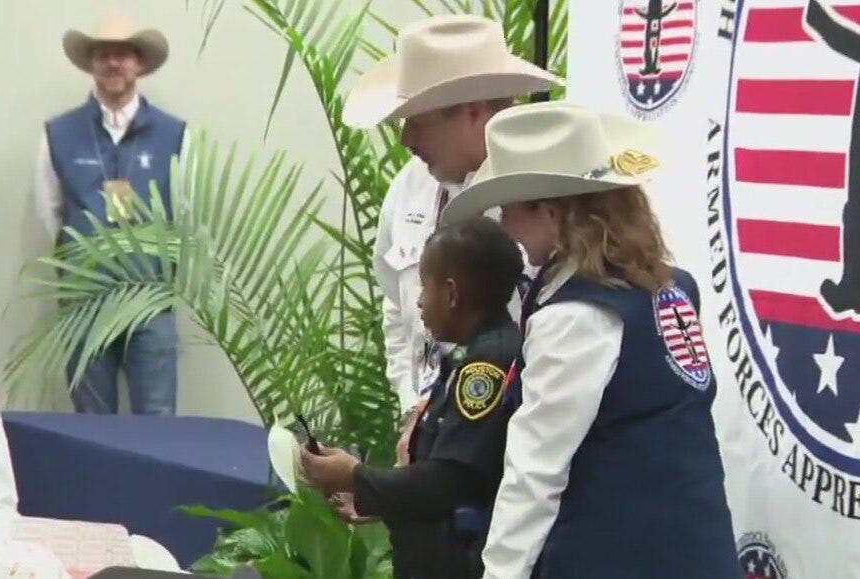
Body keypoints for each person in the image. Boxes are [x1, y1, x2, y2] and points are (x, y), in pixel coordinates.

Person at [441, 102, 742, 579]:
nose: (505, 225)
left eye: (510, 209)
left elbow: (535, 471)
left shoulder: (574, 317)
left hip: (615, 556)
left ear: (551, 213)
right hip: (696, 551)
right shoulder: (672, 288)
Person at [341, 14, 562, 422]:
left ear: (474, 113)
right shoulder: (407, 187)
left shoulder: (541, 203)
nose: (405, 139)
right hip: (430, 435)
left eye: (417, 120)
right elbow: (397, 309)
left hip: (511, 438)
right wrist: (411, 406)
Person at [300, 217, 524, 579]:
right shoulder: (471, 353)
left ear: (451, 293)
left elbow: (452, 481)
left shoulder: (486, 366)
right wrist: (373, 496)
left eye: (424, 286)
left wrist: (356, 476)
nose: (418, 301)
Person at [35, 11, 188, 415]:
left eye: (123, 54)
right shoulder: (58, 133)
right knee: (93, 427)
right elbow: (51, 213)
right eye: (103, 54)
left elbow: (183, 212)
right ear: (91, 63)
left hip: (151, 302)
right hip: (84, 303)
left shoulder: (175, 134)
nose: (113, 63)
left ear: (139, 63)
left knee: (157, 424)